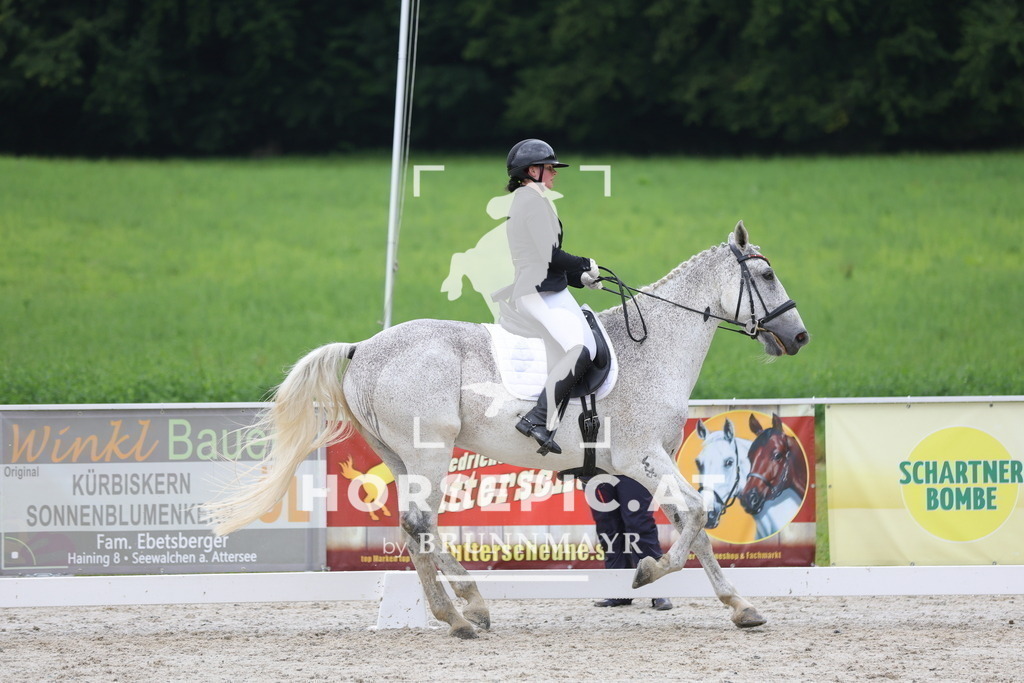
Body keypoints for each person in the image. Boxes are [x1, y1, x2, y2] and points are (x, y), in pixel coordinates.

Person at [491, 139, 602, 455]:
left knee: (581, 348)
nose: (555, 174)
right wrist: (583, 263)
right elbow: (547, 253)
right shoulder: (530, 202)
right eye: (550, 168)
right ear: (532, 171)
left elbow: (544, 259)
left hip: (547, 286)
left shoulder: (531, 201)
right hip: (537, 292)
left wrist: (578, 278)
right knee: (582, 349)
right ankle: (537, 419)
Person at [590, 476, 673, 610]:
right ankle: (618, 591)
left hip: (630, 465)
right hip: (596, 467)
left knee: (639, 522)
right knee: (607, 526)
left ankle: (657, 588)